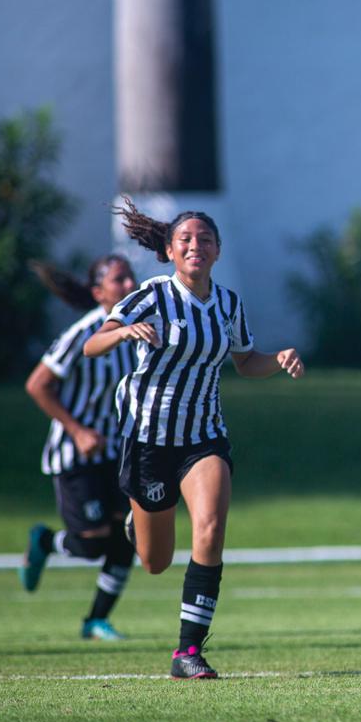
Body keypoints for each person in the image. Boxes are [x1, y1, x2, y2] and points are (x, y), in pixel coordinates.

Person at [83, 197, 305, 680]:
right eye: (185, 239)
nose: (195, 246)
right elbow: (92, 342)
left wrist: (279, 358)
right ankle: (138, 526)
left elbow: (246, 362)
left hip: (204, 438)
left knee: (209, 529)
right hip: (149, 439)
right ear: (169, 250)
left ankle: (187, 652)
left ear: (218, 251)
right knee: (155, 561)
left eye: (204, 239)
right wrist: (121, 334)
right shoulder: (151, 295)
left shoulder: (228, 303)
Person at [18, 256, 140, 641]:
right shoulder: (83, 334)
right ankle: (45, 541)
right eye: (119, 280)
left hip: (118, 453)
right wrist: (79, 431)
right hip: (77, 455)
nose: (130, 284)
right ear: (98, 292)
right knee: (91, 545)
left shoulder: (136, 330)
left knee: (129, 535)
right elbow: (37, 384)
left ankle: (95, 620)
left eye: (130, 277)